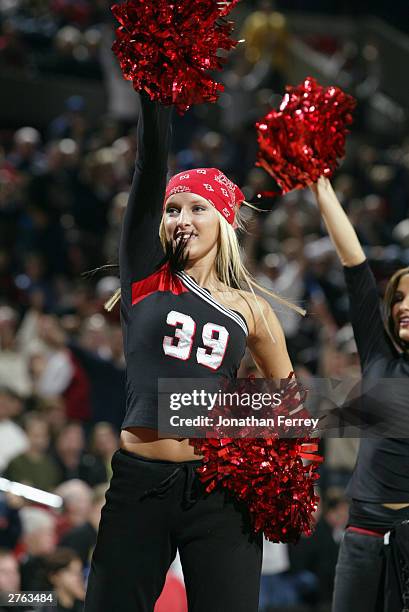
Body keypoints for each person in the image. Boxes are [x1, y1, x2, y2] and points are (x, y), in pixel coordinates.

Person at [84, 90, 301, 612]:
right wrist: (155, 90)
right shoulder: (145, 275)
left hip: (220, 488)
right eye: (172, 209)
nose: (181, 217)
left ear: (224, 220)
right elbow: (150, 161)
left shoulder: (251, 309)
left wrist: (263, 457)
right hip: (141, 480)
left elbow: (289, 404)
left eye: (196, 208)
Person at [310, 177, 409, 612]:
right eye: (399, 298)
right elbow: (355, 266)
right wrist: (322, 188)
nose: (403, 305)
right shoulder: (378, 357)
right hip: (364, 530)